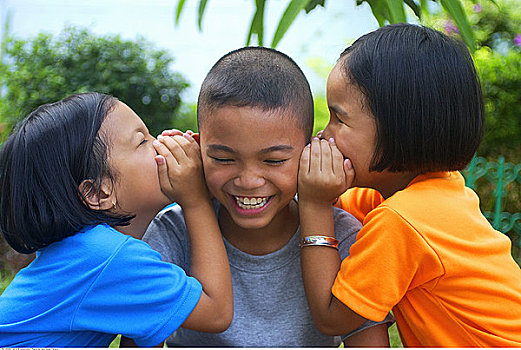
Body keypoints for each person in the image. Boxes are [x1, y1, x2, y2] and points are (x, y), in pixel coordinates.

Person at [143, 46, 393, 347]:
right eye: (223, 159)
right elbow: (142, 333)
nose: (249, 181)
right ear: (197, 150)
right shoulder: (173, 233)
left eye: (273, 161)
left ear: (308, 153)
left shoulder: (342, 234)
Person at [297, 23, 521, 347]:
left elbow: (332, 317)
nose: (324, 133)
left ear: (397, 128)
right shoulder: (433, 192)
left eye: (339, 118)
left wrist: (314, 205)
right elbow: (339, 201)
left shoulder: (402, 221)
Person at [0, 92, 233, 347]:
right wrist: (196, 199)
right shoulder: (106, 256)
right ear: (98, 192)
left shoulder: (89, 252)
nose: (160, 143)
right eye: (142, 141)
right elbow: (216, 311)